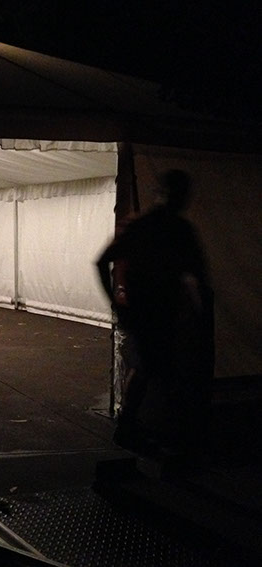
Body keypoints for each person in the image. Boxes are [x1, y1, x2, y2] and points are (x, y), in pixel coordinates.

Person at [96, 169, 213, 454]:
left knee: (151, 367)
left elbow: (197, 275)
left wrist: (118, 305)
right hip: (155, 311)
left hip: (154, 311)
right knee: (157, 368)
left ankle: (138, 427)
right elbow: (198, 276)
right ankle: (154, 430)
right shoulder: (173, 229)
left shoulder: (150, 227)